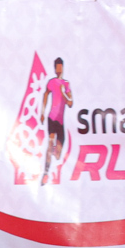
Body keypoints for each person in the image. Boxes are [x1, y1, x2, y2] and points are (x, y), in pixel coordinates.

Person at [42, 57, 74, 186]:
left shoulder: (66, 84)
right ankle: (46, 172)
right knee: (50, 143)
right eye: (57, 68)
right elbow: (45, 95)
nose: (59, 70)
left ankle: (56, 148)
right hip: (52, 118)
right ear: (55, 69)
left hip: (60, 122)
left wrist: (63, 93)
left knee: (58, 155)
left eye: (61, 67)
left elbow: (70, 103)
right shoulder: (51, 82)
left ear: (63, 68)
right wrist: (42, 112)